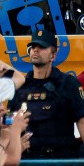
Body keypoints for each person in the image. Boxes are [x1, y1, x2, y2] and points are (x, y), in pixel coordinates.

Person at [7, 28, 84, 159]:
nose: (35, 50)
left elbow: (82, 122)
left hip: (61, 159)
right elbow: (8, 125)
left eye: (41, 47)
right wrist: (14, 146)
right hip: (29, 159)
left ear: (53, 56)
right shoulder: (20, 87)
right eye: (33, 47)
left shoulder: (68, 84)